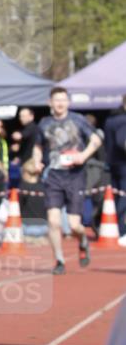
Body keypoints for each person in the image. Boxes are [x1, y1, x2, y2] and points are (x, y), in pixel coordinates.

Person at [33, 87, 102, 274]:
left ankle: (83, 241)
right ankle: (59, 260)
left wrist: (83, 155)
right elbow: (38, 146)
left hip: (75, 176)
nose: (60, 103)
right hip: (53, 176)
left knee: (74, 225)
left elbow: (96, 140)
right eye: (57, 100)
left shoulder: (78, 120)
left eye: (63, 99)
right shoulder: (44, 123)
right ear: (50, 103)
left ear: (68, 102)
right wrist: (37, 160)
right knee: (53, 222)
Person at [104, 96, 126, 238]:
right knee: (123, 198)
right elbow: (122, 142)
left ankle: (116, 228)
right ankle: (122, 230)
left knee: (117, 196)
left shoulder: (110, 119)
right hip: (123, 164)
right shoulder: (124, 120)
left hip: (113, 164)